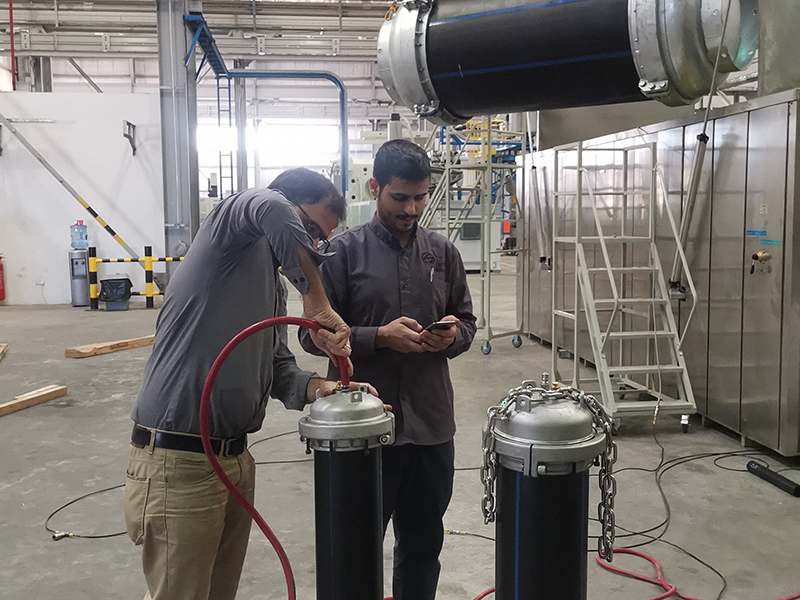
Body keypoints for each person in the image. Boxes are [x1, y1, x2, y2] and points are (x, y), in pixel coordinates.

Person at [123, 168, 369, 600]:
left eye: (320, 239)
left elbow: (277, 370)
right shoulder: (227, 235)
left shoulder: (271, 286)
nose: (311, 245)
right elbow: (269, 205)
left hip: (234, 459)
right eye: (309, 228)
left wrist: (324, 390)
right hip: (178, 463)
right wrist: (315, 295)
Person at [299, 140, 477, 600]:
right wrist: (377, 337)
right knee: (355, 549)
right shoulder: (339, 254)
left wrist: (450, 337)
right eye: (400, 198)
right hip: (364, 431)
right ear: (375, 187)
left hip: (432, 428)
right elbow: (307, 334)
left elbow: (468, 322)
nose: (411, 208)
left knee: (422, 549)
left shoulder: (443, 253)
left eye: (420, 197)